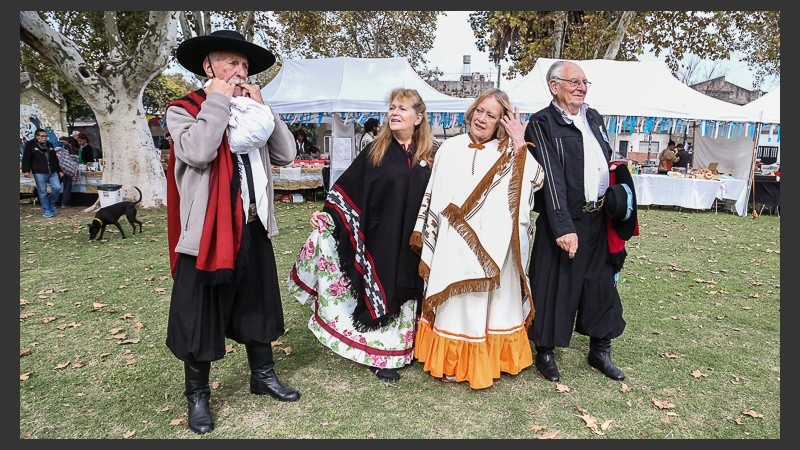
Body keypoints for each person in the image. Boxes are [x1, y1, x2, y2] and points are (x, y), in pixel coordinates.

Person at [164, 29, 300, 435]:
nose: (240, 72)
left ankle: (263, 375)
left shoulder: (251, 114)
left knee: (258, 302)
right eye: (231, 63)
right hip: (207, 232)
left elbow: (286, 154)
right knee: (200, 313)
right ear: (209, 67)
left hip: (253, 224)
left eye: (244, 66)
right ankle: (198, 396)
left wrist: (264, 108)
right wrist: (219, 99)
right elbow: (200, 151)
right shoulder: (184, 109)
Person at [286, 88, 434, 382]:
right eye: (392, 107)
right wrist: (327, 217)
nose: (394, 113)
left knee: (410, 286)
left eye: (402, 109)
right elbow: (347, 189)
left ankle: (410, 347)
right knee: (381, 287)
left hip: (414, 240)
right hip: (380, 236)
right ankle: (380, 354)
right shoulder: (375, 152)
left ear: (418, 117)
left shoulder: (431, 155)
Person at [410, 88, 545, 390]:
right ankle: (451, 361)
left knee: (491, 306)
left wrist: (520, 143)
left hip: (494, 248)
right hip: (451, 242)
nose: (482, 119)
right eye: (480, 111)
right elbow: (435, 194)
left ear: (501, 122)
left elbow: (537, 181)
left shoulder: (509, 150)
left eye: (492, 115)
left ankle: (492, 359)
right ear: (471, 112)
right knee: (456, 306)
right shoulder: (449, 148)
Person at [523, 60, 639, 383]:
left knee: (601, 283)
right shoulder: (542, 123)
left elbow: (606, 159)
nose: (581, 87)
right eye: (574, 81)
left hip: (598, 217)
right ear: (554, 86)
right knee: (555, 284)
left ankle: (600, 349)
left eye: (585, 82)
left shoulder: (594, 117)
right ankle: (545, 351)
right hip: (565, 217)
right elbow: (551, 175)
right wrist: (563, 226)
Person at [21, 128, 62, 217]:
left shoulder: (49, 144)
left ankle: (51, 203)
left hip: (52, 170)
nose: (44, 138)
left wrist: (59, 170)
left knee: (57, 187)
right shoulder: (30, 145)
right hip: (39, 171)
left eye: (45, 136)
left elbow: (55, 158)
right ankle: (46, 210)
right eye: (42, 136)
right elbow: (26, 158)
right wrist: (26, 170)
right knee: (42, 191)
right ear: (37, 136)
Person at [55, 136, 79, 208]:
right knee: (67, 187)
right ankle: (65, 203)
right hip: (67, 170)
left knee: (56, 187)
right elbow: (73, 157)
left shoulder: (54, 148)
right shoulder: (66, 146)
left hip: (57, 170)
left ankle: (54, 202)